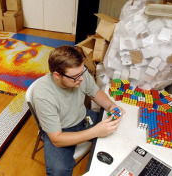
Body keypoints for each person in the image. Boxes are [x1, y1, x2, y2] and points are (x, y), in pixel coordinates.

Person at [32, 45, 126, 175]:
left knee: (118, 133)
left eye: (82, 72)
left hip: (83, 117)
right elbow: (57, 139)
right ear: (57, 75)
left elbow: (95, 93)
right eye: (76, 76)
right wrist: (95, 132)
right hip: (60, 131)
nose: (81, 78)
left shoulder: (79, 74)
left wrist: (111, 106)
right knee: (58, 171)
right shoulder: (43, 95)